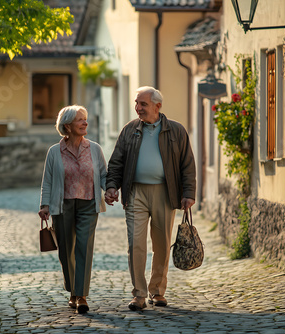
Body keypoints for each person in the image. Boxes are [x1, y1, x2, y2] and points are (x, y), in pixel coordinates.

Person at [105, 86, 196, 311]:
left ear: (157, 106)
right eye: (136, 103)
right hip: (135, 192)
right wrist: (111, 186)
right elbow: (116, 161)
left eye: (143, 104)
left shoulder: (176, 131)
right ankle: (139, 294)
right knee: (135, 244)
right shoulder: (130, 130)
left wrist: (188, 194)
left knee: (162, 245)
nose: (138, 108)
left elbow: (187, 164)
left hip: (165, 193)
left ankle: (157, 291)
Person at [38, 105, 107, 314]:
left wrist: (111, 189)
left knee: (84, 248)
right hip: (63, 204)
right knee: (66, 251)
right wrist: (44, 204)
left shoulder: (94, 149)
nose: (85, 123)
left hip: (88, 203)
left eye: (85, 119)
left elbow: (104, 175)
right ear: (67, 126)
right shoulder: (54, 151)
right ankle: (73, 291)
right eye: (80, 120)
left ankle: (82, 296)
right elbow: (47, 180)